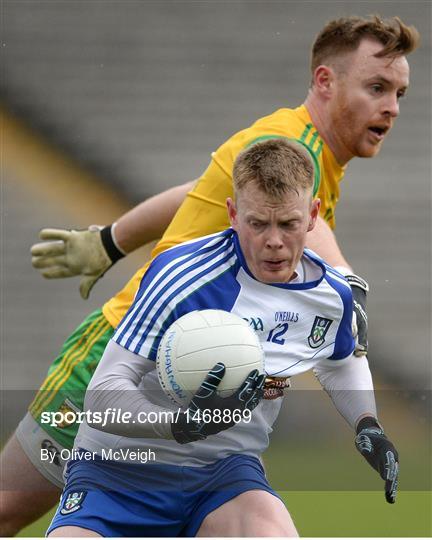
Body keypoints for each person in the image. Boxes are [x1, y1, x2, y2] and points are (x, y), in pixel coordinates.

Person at [0, 15, 417, 536]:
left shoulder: (298, 154)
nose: (391, 107)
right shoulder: (293, 145)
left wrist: (113, 240)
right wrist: (347, 283)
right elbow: (318, 247)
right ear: (325, 82)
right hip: (128, 351)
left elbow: (201, 186)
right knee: (7, 506)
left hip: (191, 375)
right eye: (376, 87)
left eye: (399, 92)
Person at [46, 139, 398, 537]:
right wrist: (178, 425)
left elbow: (340, 362)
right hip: (118, 470)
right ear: (232, 214)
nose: (274, 241)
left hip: (223, 474)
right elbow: (104, 393)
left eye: (288, 223)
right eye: (258, 223)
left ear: (314, 215)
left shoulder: (331, 295)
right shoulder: (181, 277)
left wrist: (367, 424)